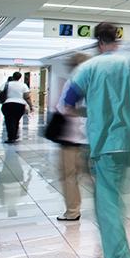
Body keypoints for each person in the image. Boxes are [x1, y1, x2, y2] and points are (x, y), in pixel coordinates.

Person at [62, 23, 130, 258]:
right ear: (118, 39)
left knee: (108, 205)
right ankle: (120, 251)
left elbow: (67, 105)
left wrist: (93, 110)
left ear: (97, 42)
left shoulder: (88, 68)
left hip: (105, 145)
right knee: (116, 199)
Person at [56, 53, 91, 221]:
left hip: (72, 137)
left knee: (69, 175)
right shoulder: (97, 82)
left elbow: (63, 108)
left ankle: (72, 211)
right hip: (93, 136)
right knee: (93, 175)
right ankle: (109, 208)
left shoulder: (73, 83)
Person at [0, 72, 33, 143]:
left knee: (9, 121)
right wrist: (31, 106)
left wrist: (4, 96)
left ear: (13, 76)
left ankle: (11, 137)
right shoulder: (23, 85)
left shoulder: (7, 84)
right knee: (16, 120)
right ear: (20, 77)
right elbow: (27, 97)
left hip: (8, 104)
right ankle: (14, 136)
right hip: (20, 105)